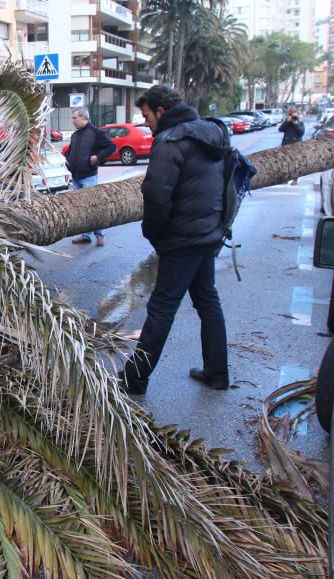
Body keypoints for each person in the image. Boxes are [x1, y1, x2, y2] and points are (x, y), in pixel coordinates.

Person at [118, 85, 230, 395]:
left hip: (182, 241)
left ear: (161, 112)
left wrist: (154, 235)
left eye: (147, 116)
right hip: (209, 233)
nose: (146, 122)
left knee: (162, 308)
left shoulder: (170, 142)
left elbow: (156, 196)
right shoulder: (212, 132)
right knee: (208, 301)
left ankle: (134, 378)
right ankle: (217, 373)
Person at [64, 108, 116, 246]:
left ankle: (100, 235)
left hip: (89, 177)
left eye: (75, 118)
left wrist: (98, 158)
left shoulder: (96, 133)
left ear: (83, 117)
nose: (73, 120)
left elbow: (112, 147)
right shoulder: (75, 135)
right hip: (75, 177)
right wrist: (68, 162)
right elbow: (71, 151)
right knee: (81, 208)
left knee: (94, 207)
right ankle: (85, 235)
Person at [278, 107, 305, 185]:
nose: (293, 116)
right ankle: (285, 179)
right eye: (291, 114)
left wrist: (296, 124)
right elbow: (280, 129)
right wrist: (287, 121)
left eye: (294, 113)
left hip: (296, 145)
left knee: (295, 162)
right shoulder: (287, 122)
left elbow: (301, 132)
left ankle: (295, 179)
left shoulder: (300, 122)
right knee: (285, 162)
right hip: (286, 144)